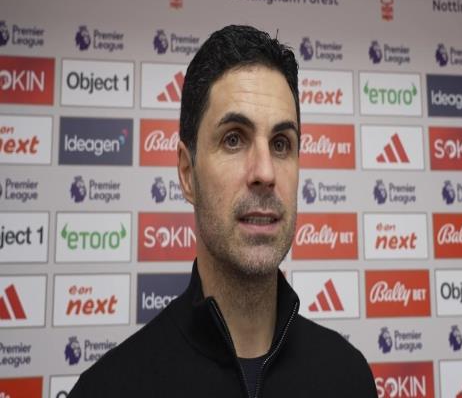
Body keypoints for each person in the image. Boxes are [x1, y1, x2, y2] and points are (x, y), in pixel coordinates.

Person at [68, 25, 377, 397]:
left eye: (281, 143)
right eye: (233, 139)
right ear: (187, 174)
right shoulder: (107, 390)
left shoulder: (348, 376)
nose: (265, 172)